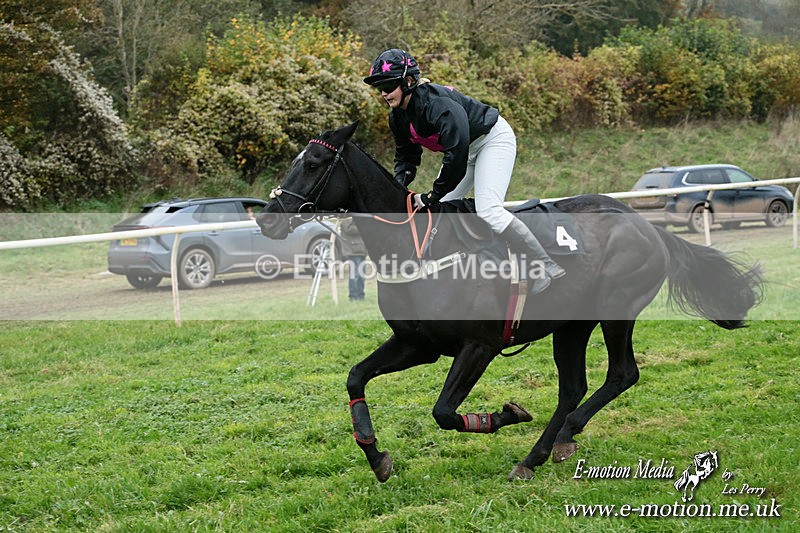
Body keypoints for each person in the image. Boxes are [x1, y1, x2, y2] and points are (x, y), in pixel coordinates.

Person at [363, 48, 564, 293]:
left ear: (407, 81)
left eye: (388, 85)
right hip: (464, 151)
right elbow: (407, 156)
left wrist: (430, 195)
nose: (384, 93)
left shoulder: (437, 104)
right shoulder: (397, 118)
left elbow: (455, 158)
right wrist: (398, 190)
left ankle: (545, 264)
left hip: (492, 140)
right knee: (438, 213)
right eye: (379, 87)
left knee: (489, 210)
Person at [340, 217, 367, 301]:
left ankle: (361, 295)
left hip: (362, 250)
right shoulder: (346, 218)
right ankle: (353, 296)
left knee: (362, 275)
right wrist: (364, 226)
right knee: (354, 275)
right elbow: (348, 229)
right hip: (353, 250)